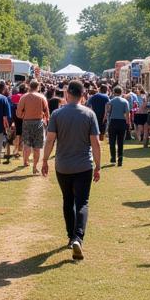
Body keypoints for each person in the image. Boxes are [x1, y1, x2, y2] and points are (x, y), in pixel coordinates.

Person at [41, 80, 101, 261]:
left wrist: (44, 160)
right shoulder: (89, 114)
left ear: (67, 94)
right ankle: (78, 238)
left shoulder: (57, 114)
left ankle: (70, 236)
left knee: (68, 200)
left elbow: (50, 140)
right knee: (82, 202)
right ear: (83, 95)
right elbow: (96, 144)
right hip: (83, 165)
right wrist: (98, 165)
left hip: (63, 165)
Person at [17, 78, 50, 169]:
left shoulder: (24, 97)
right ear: (38, 87)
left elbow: (18, 113)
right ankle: (35, 166)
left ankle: (25, 161)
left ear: (29, 86)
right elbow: (47, 112)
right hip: (38, 122)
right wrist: (46, 121)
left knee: (27, 144)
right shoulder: (42, 97)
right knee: (37, 146)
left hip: (27, 122)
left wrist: (24, 115)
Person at [104, 85, 132, 166]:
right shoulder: (125, 101)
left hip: (113, 122)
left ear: (114, 92)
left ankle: (113, 157)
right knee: (121, 142)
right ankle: (120, 159)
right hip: (122, 122)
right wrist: (128, 123)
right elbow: (127, 114)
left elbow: (108, 110)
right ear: (121, 92)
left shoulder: (111, 101)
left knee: (112, 141)